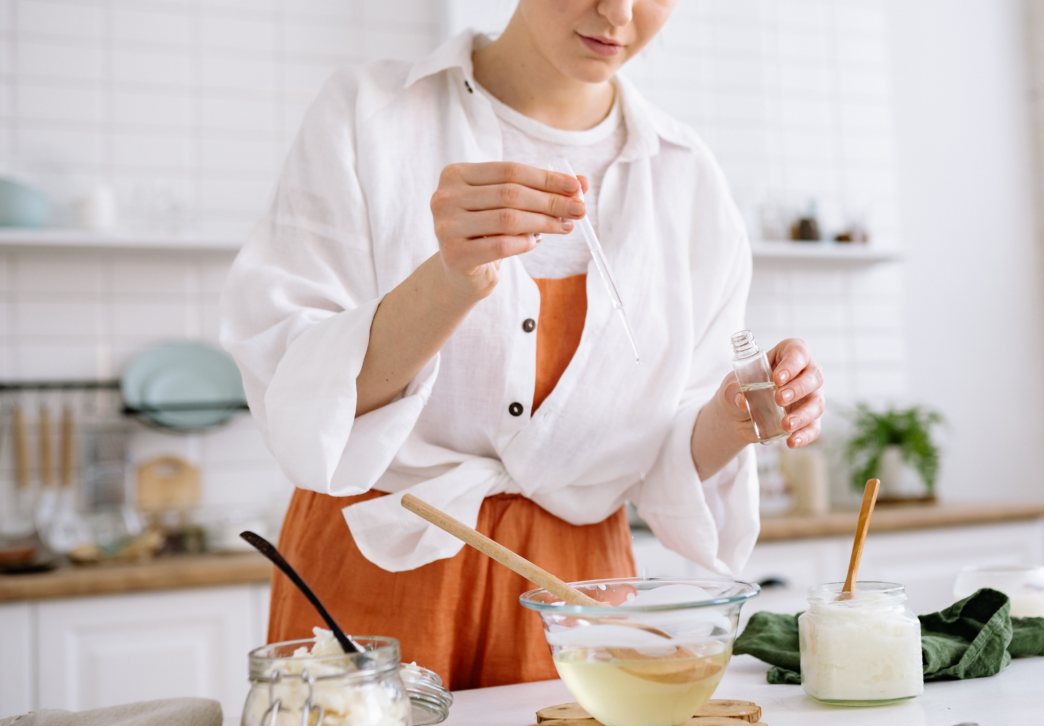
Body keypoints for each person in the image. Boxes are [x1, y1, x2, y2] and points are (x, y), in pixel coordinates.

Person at [221, 0, 826, 690]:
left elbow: (671, 442)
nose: (618, 12)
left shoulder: (687, 175)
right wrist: (448, 281)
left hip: (574, 594)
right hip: (375, 563)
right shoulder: (369, 114)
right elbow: (299, 397)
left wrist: (739, 415)